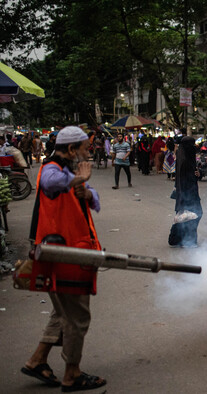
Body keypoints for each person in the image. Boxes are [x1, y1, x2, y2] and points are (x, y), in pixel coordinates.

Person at [22, 126, 106, 392]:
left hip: (72, 252)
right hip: (66, 256)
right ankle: (72, 373)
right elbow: (50, 183)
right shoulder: (53, 170)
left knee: (62, 313)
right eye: (84, 148)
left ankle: (37, 360)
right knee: (77, 318)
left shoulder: (71, 173)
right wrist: (76, 182)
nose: (88, 152)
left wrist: (88, 192)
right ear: (71, 150)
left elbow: (96, 201)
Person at [169, 136, 202, 247]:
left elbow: (192, 175)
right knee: (194, 215)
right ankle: (188, 241)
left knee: (187, 216)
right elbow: (186, 179)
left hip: (186, 194)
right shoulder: (185, 160)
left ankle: (178, 239)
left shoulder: (182, 156)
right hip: (188, 194)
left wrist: (197, 174)